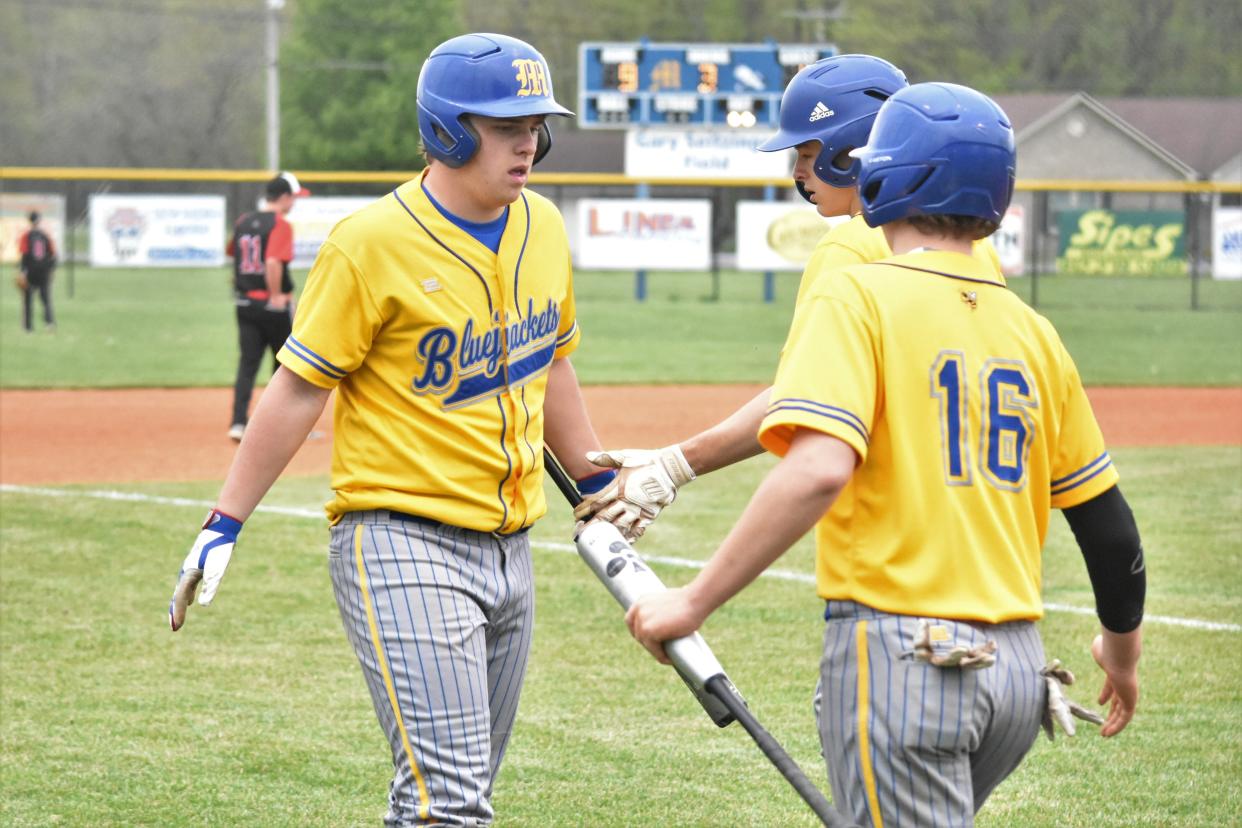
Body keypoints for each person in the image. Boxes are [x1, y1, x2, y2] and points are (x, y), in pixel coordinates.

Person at [624, 83, 1145, 827]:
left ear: (884, 176)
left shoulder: (859, 293)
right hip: (1018, 676)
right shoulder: (1033, 331)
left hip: (910, 660)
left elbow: (819, 467)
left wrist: (692, 600)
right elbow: (1109, 526)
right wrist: (1121, 657)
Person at [168, 33, 613, 827]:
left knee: (458, 791)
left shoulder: (541, 225)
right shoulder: (368, 243)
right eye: (504, 124)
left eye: (536, 125)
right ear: (445, 130)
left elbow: (552, 365)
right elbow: (300, 388)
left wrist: (601, 484)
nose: (527, 143)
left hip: (513, 548)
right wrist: (224, 521)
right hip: (402, 540)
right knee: (449, 804)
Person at [573, 54, 1001, 540]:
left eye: (807, 151)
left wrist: (673, 466)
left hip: (893, 533)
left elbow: (801, 393)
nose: (797, 171)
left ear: (850, 149)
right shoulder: (976, 252)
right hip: (975, 514)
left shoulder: (851, 245)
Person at [225, 171, 309, 441]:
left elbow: (233, 253)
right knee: (286, 367)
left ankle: (238, 423)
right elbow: (272, 261)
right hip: (271, 304)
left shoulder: (244, 221)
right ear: (283, 197)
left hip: (245, 302)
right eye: (293, 198)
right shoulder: (280, 224)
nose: (293, 203)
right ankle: (279, 428)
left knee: (248, 364)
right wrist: (276, 295)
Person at [17, 211, 57, 333]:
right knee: (45, 298)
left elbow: (24, 254)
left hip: (31, 271)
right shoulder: (45, 236)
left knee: (28, 299)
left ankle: (28, 327)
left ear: (29, 221)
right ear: (39, 221)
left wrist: (22, 271)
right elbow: (53, 254)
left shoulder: (26, 236)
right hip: (43, 270)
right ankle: (49, 323)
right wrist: (51, 269)